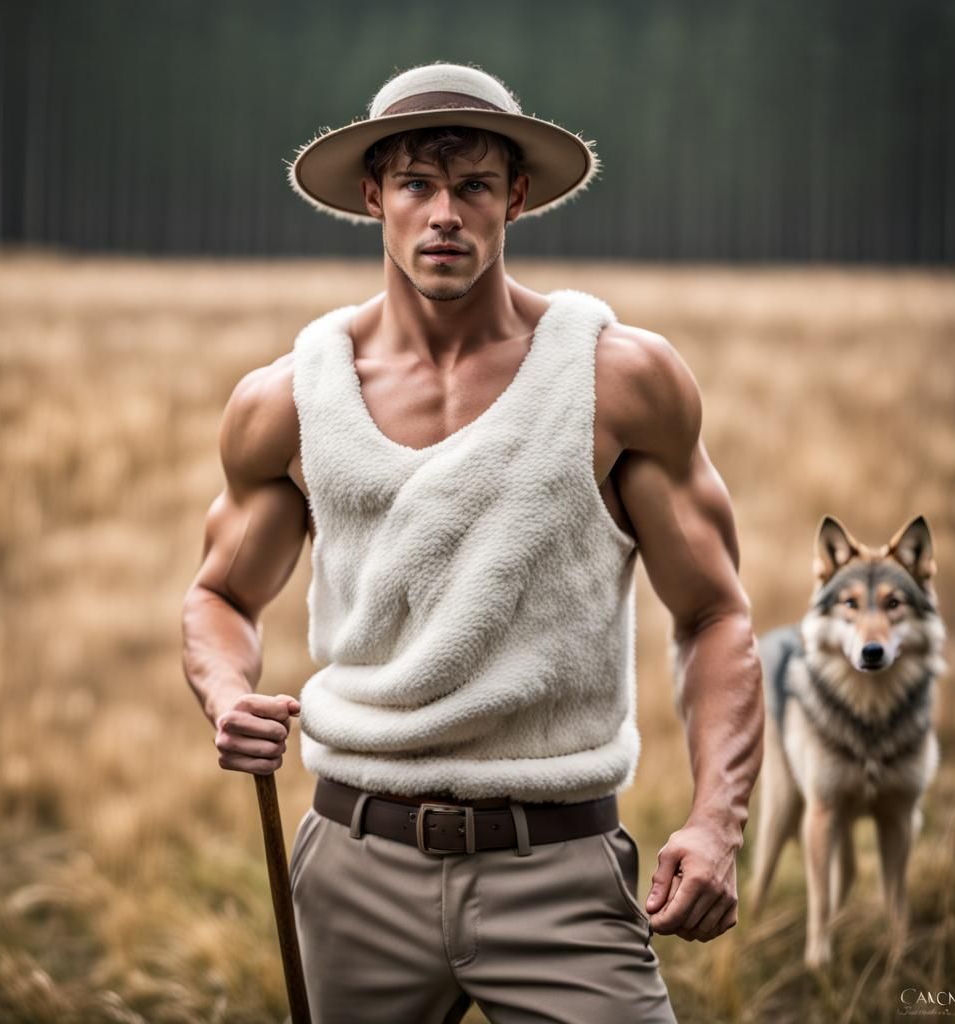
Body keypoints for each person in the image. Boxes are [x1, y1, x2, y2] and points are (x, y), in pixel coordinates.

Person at [182, 62, 764, 1024]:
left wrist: (715, 823)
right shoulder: (288, 401)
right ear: (374, 197)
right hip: (354, 866)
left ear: (516, 198)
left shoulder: (619, 382)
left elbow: (714, 613)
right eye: (416, 184)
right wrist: (226, 694)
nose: (443, 212)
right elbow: (219, 598)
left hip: (562, 871)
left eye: (473, 186)